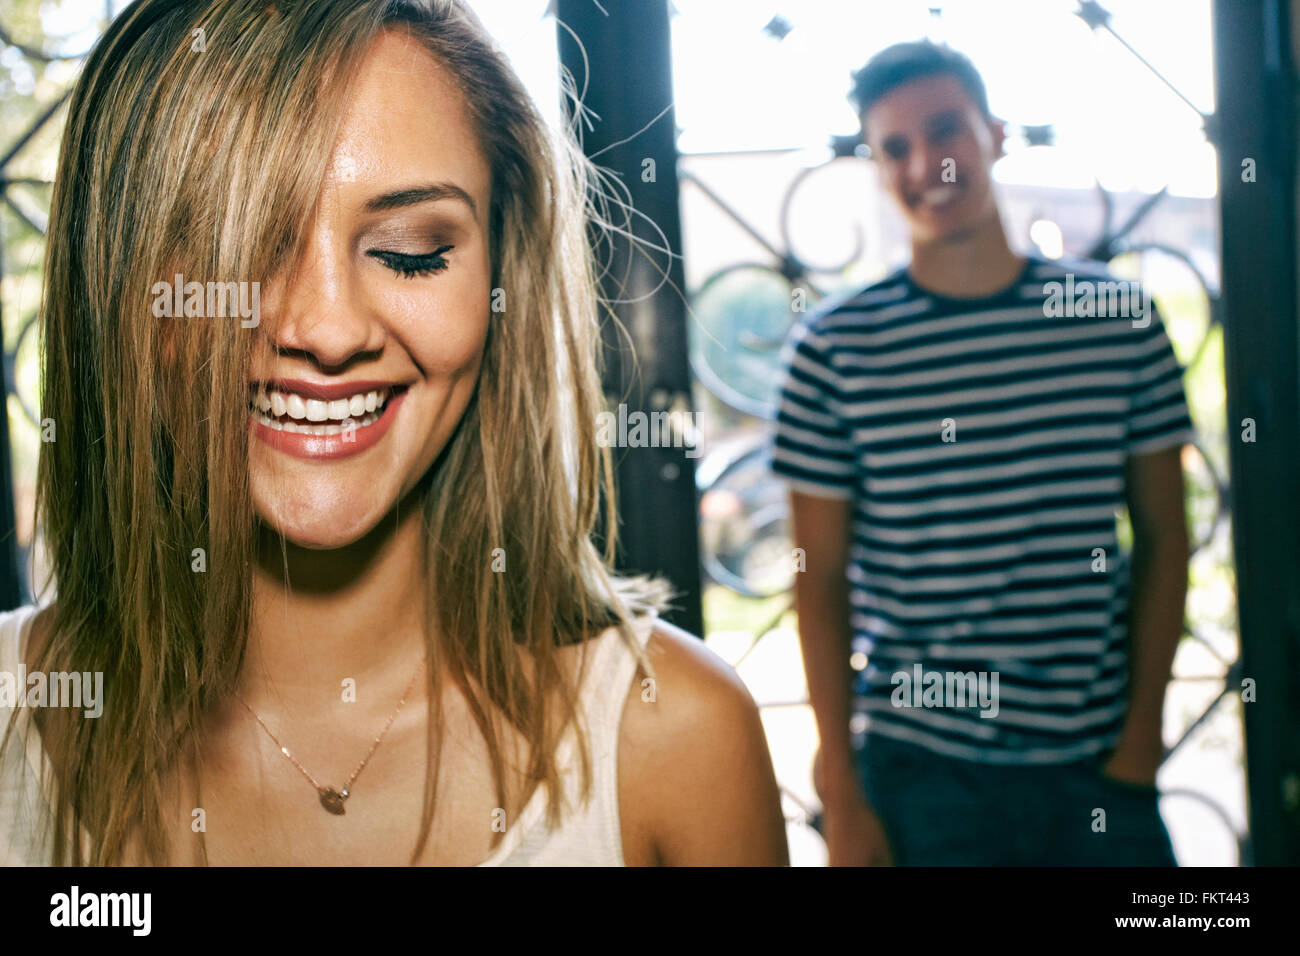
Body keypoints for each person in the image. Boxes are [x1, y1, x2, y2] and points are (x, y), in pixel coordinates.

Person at [0, 0, 788, 867]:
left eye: (412, 250)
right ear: (116, 284)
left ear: (501, 275)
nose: (329, 329)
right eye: (243, 245)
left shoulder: (676, 738)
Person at [772, 40, 1193, 866]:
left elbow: (1167, 536)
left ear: (995, 135)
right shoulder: (835, 350)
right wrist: (845, 799)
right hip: (921, 779)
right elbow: (817, 580)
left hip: (1100, 770)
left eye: (946, 130)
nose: (928, 162)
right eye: (895, 147)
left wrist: (1140, 742)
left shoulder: (1115, 321)